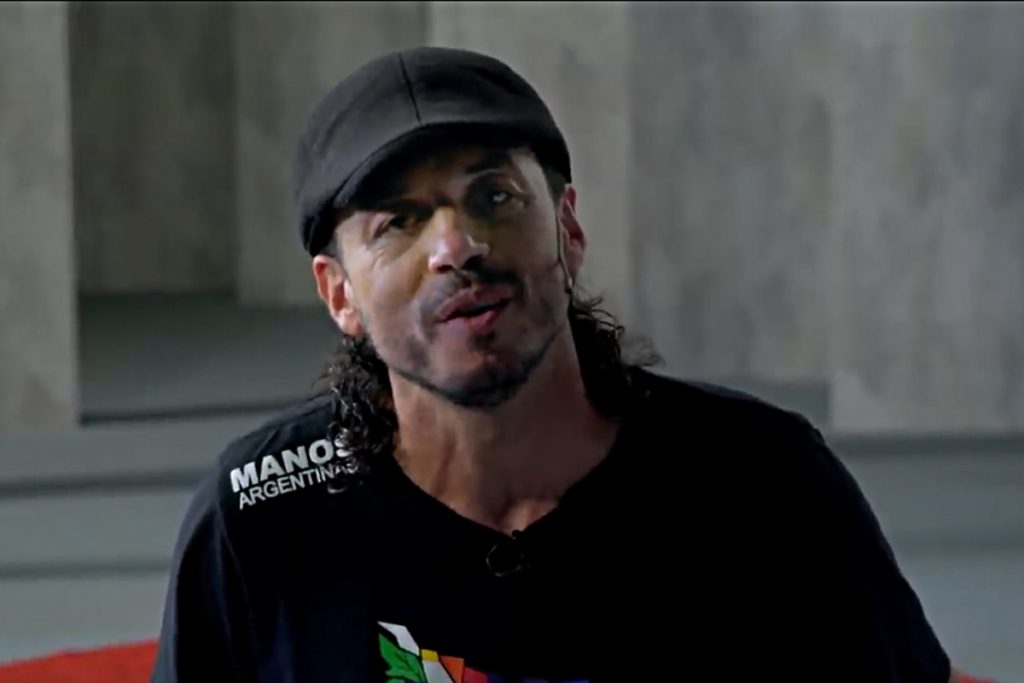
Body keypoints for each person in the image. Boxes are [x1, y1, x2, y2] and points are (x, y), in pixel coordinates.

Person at [151, 46, 958, 683]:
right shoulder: (260, 518)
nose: (456, 246)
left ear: (567, 229)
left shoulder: (767, 481)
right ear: (340, 294)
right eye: (398, 222)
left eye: (494, 197)